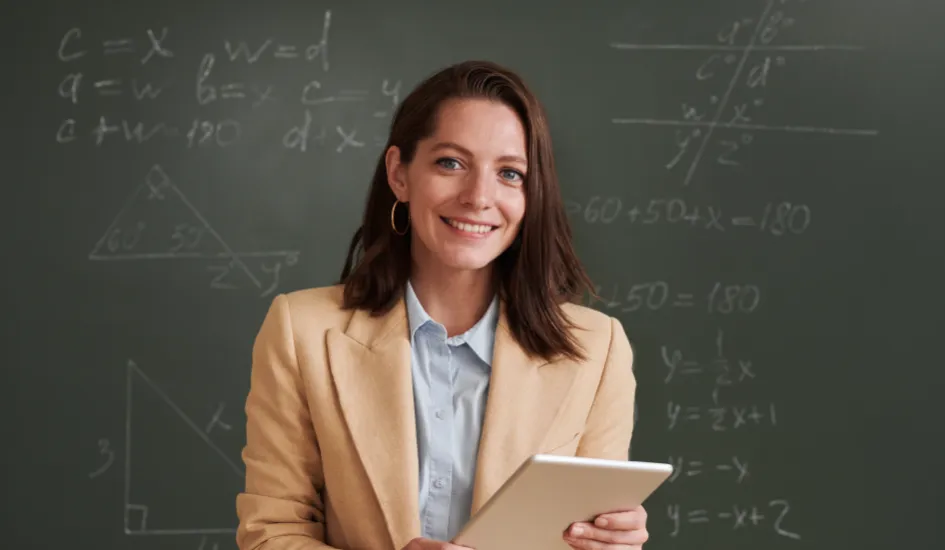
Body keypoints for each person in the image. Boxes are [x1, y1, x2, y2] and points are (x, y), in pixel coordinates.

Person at [235, 60, 648, 550]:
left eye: (510, 173)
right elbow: (271, 533)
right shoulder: (301, 332)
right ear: (399, 174)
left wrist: (611, 543)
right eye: (450, 163)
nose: (479, 196)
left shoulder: (596, 351)